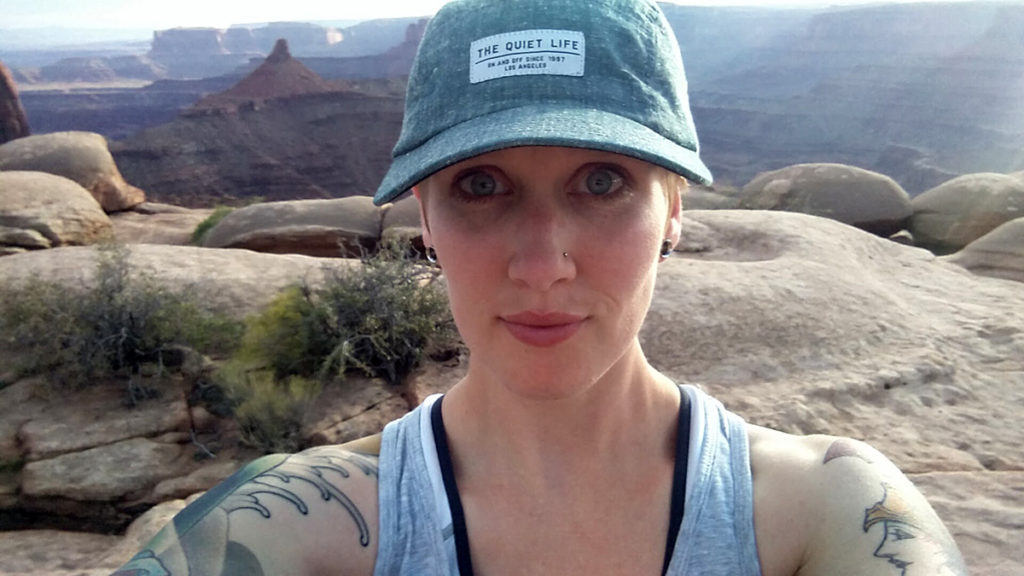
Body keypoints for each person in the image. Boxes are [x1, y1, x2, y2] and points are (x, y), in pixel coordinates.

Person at [112, 0, 968, 574]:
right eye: (481, 187)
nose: (541, 264)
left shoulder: (824, 507)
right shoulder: (307, 519)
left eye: (602, 183)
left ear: (674, 209)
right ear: (426, 217)